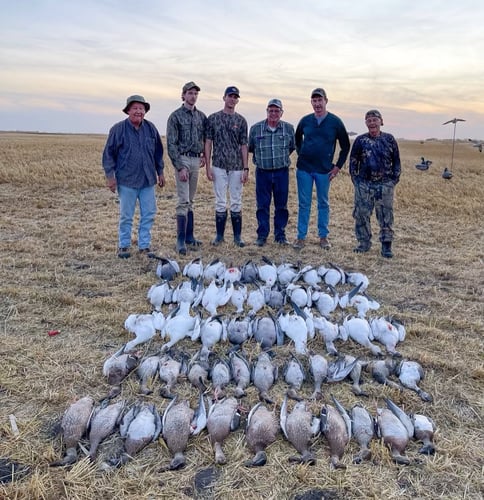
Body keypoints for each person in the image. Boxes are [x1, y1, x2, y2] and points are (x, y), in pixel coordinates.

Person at [102, 95, 165, 259]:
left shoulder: (151, 129)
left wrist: (160, 172)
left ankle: (144, 245)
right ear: (128, 110)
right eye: (135, 108)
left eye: (141, 108)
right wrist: (110, 177)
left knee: (149, 214)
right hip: (127, 180)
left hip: (147, 180)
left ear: (145, 111)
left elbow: (158, 153)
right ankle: (124, 245)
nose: (138, 111)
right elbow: (108, 154)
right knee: (126, 216)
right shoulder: (118, 129)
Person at [294, 88, 350, 249]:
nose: (317, 104)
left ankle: (323, 237)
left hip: (324, 170)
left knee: (323, 203)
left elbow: (345, 146)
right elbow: (297, 138)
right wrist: (301, 153)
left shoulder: (335, 122)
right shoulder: (305, 121)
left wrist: (337, 167)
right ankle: (300, 237)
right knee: (304, 203)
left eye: (320, 100)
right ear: (311, 102)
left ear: (326, 101)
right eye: (314, 100)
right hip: (304, 169)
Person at [349, 109, 401, 258]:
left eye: (375, 119)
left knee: (385, 215)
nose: (372, 123)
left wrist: (393, 181)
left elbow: (396, 162)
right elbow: (353, 161)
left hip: (384, 184)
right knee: (361, 214)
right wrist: (356, 180)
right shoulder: (360, 141)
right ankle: (364, 243)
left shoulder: (389, 139)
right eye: (369, 120)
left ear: (381, 122)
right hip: (364, 184)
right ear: (366, 123)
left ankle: (386, 246)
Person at [205, 86, 249, 247]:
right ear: (224, 98)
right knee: (220, 202)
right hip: (218, 165)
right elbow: (208, 143)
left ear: (237, 100)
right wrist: (208, 166)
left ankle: (237, 237)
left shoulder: (241, 121)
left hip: (237, 167)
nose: (232, 99)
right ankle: (219, 236)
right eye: (230, 96)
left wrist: (246, 168)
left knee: (236, 201)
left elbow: (244, 145)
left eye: (235, 97)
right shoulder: (213, 118)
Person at [166, 81, 207, 255]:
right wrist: (179, 166)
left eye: (196, 93)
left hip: (196, 160)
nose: (193, 96)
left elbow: (205, 138)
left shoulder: (201, 117)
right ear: (183, 95)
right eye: (190, 93)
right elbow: (171, 143)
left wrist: (204, 155)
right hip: (182, 159)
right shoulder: (175, 117)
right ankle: (180, 240)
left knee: (191, 200)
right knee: (183, 201)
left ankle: (190, 236)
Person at [248, 98, 295, 246]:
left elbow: (292, 147)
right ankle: (262, 235)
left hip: (282, 173)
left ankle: (280, 235)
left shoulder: (288, 129)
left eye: (276, 111)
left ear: (281, 113)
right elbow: (251, 147)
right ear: (267, 111)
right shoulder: (256, 129)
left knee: (281, 206)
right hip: (263, 173)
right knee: (262, 205)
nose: (273, 113)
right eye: (271, 110)